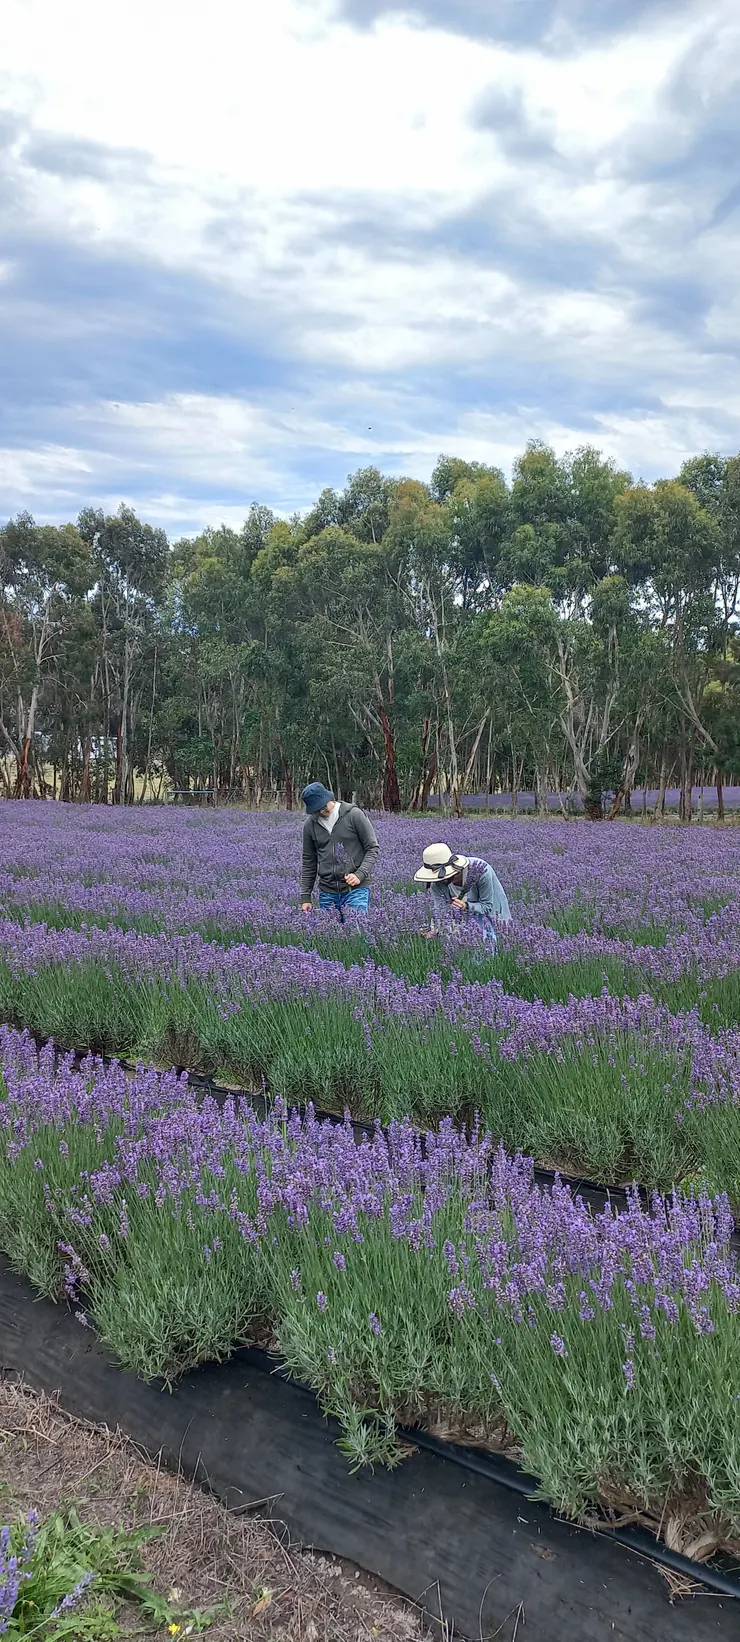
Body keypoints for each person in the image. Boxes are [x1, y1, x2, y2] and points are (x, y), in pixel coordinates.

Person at [300, 782, 379, 918]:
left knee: (356, 928)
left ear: (329, 799)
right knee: (330, 931)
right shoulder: (310, 825)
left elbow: (372, 848)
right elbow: (309, 862)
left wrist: (359, 874)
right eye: (316, 811)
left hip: (355, 890)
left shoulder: (353, 815)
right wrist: (305, 896)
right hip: (327, 892)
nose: (321, 813)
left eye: (322, 808)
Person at [413, 842, 510, 945]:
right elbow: (440, 909)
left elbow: (487, 906)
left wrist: (466, 906)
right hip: (461, 918)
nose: (437, 880)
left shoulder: (480, 870)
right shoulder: (437, 883)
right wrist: (435, 928)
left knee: (490, 945)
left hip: (491, 912)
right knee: (458, 944)